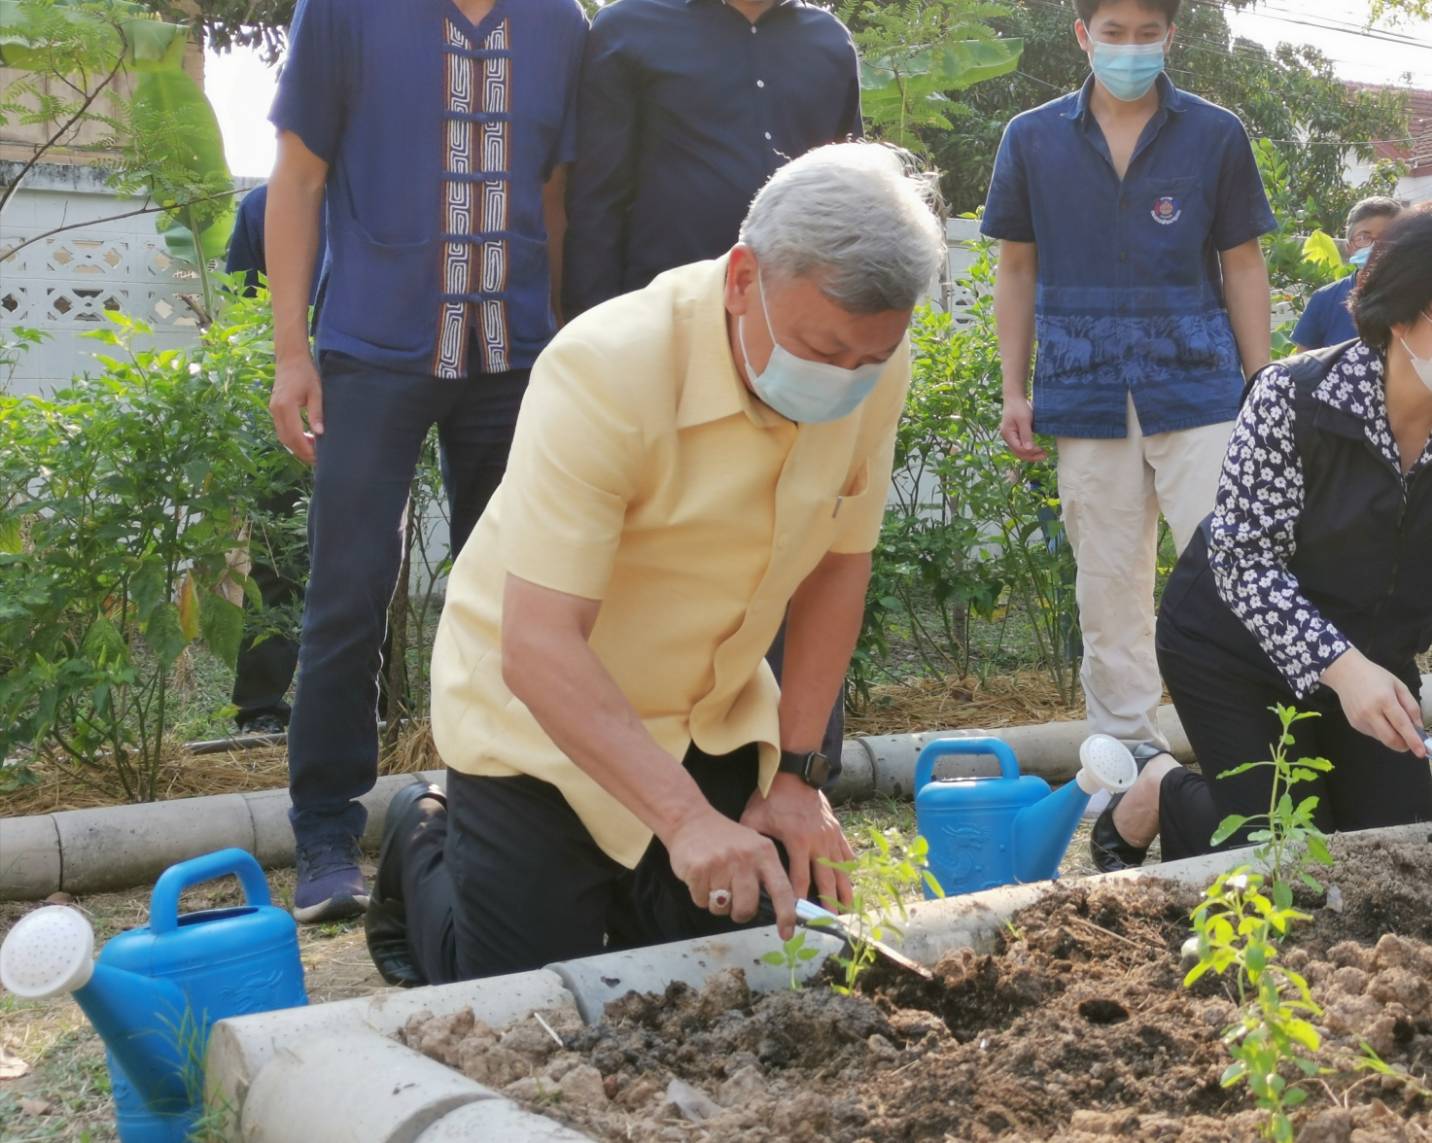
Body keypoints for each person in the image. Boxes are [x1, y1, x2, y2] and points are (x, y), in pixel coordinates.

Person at [363, 142, 945, 987]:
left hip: (706, 714)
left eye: (870, 360)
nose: (845, 380)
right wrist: (684, 820)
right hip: (541, 722)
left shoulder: (870, 366)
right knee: (528, 1004)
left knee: (715, 980)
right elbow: (539, 645)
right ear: (744, 278)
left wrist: (794, 773)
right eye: (823, 349)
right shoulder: (608, 367)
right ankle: (422, 840)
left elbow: (837, 567)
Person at [265, 0, 588, 922]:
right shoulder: (345, 12)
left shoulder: (559, 22)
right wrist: (296, 353)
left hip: (514, 352)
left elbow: (556, 196)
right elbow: (298, 179)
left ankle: (492, 816)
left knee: (521, 598)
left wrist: (559, 337)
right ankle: (327, 831)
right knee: (350, 588)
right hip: (374, 350)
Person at [562, 0, 865, 768]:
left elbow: (852, 203)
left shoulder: (828, 45)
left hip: (802, 352)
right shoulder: (628, 33)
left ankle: (799, 770)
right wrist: (597, 353)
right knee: (665, 556)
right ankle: (658, 764)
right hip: (672, 357)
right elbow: (596, 200)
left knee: (799, 542)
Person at [981, 0, 1276, 769]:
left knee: (1235, 568)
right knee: (1108, 590)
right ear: (1085, 35)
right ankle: (1128, 769)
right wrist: (1016, 390)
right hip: (1083, 391)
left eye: (1148, 33)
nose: (1131, 48)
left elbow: (1242, 262)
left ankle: (1250, 754)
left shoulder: (1215, 133)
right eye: (1114, 33)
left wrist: (1261, 384)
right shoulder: (1032, 137)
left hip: (1203, 386)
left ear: (1171, 36)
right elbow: (1016, 268)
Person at [1092, 204, 1432, 870]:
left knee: (1399, 859)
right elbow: (1245, 563)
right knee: (1295, 863)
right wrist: (1344, 668)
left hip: (1370, 652)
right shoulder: (1295, 397)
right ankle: (1164, 789)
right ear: (1402, 318)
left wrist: (1364, 670)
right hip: (1232, 647)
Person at [224, 183, 322, 737]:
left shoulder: (384, 192)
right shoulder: (261, 207)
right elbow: (243, 313)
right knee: (278, 558)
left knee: (379, 552)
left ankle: (379, 700)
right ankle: (259, 705)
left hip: (376, 394)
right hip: (285, 401)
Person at [1292, 196, 1403, 351]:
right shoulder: (1325, 299)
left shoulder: (1419, 300)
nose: (1376, 247)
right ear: (1349, 247)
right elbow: (1303, 366)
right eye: (1364, 237)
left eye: (1388, 237)